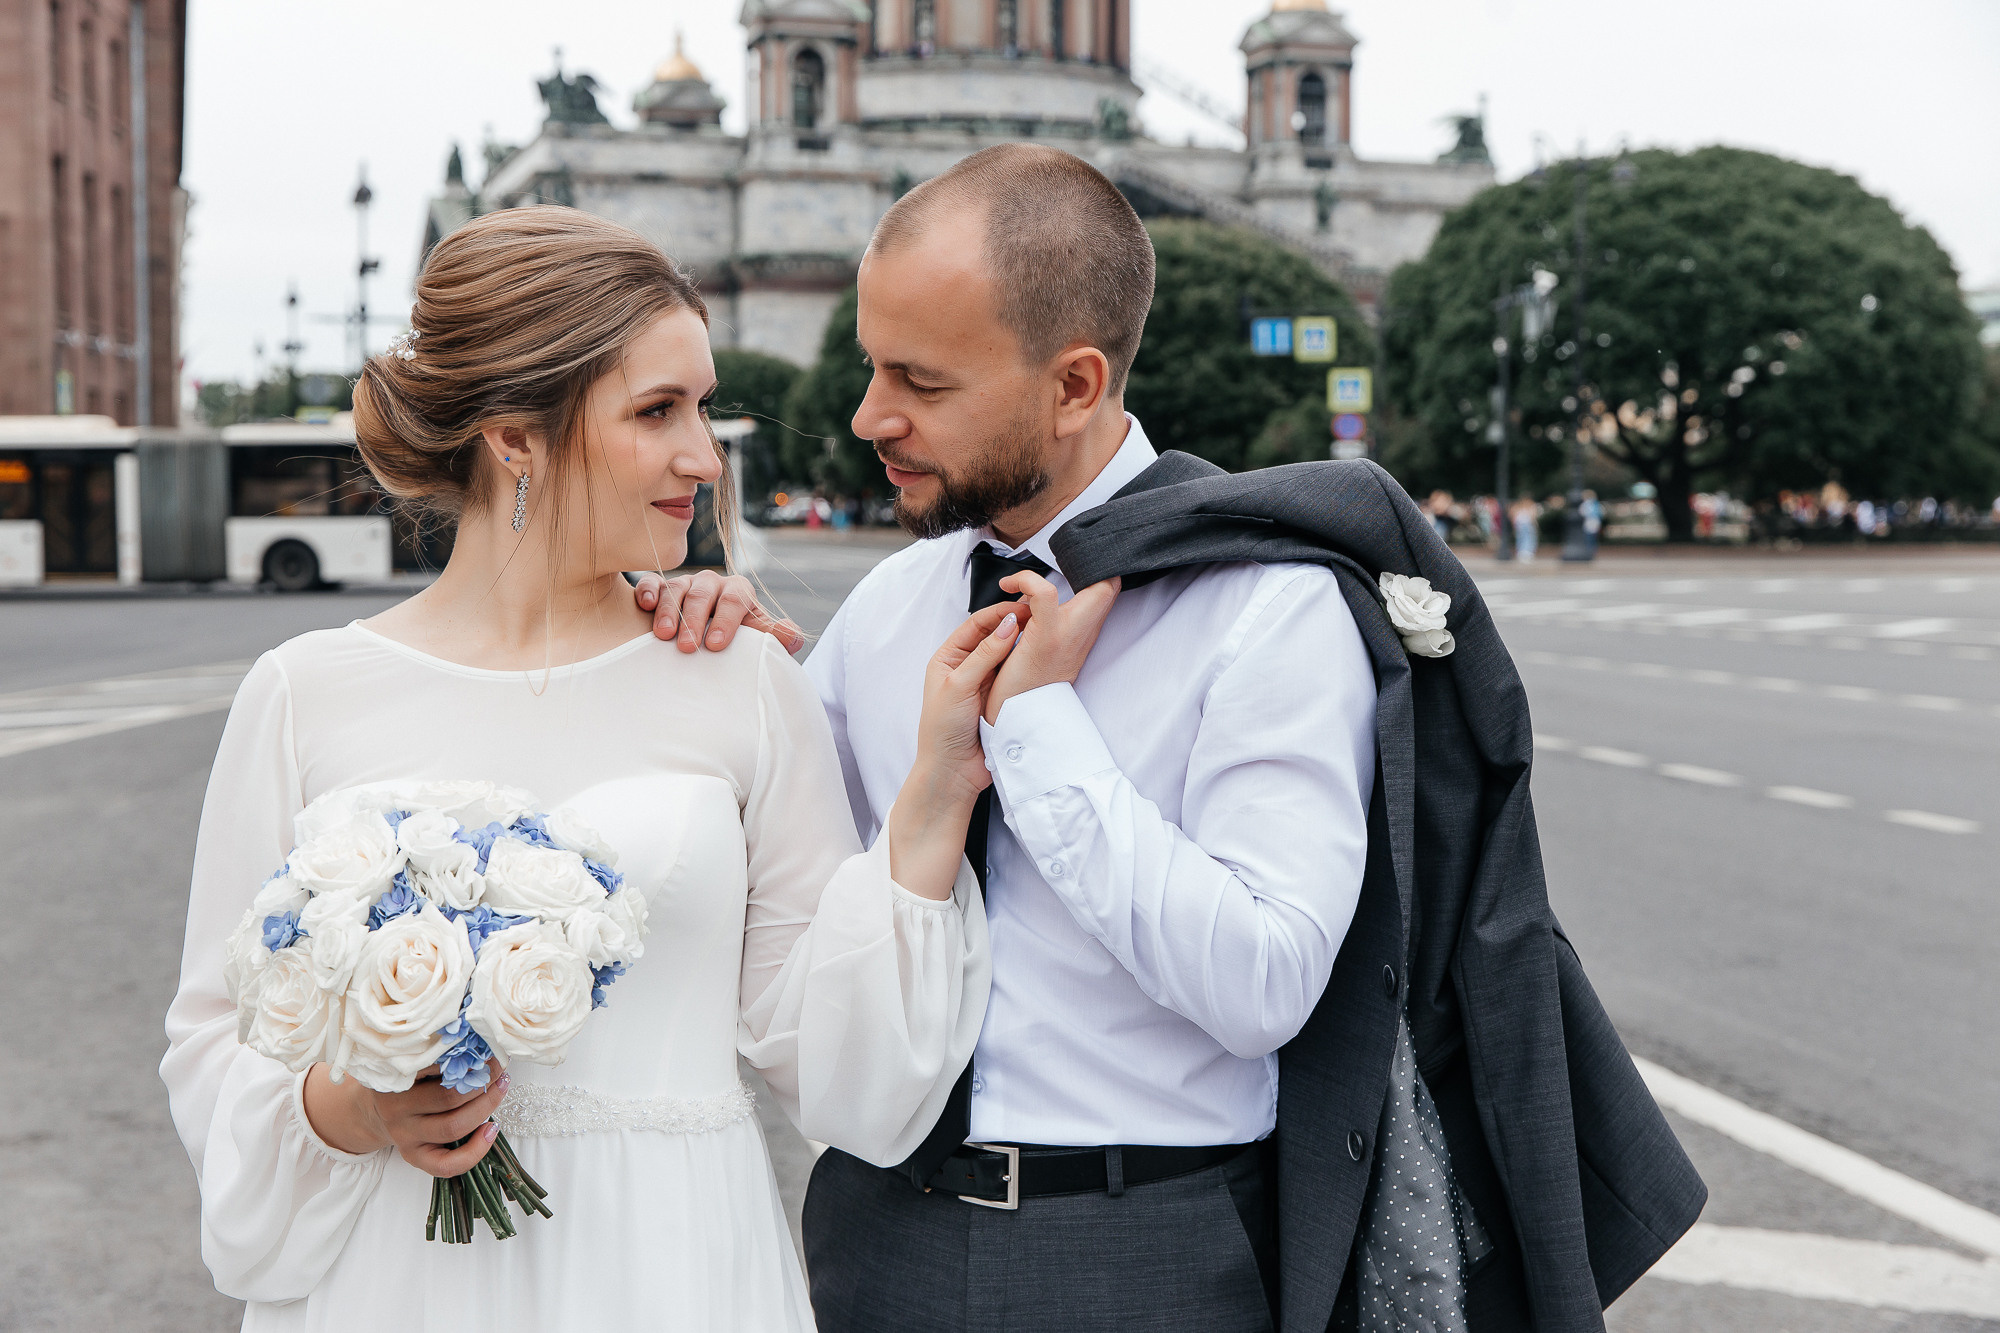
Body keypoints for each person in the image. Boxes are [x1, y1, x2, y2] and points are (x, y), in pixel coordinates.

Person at [160, 208, 1003, 1331]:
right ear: (515, 436)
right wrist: (352, 1106)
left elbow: (846, 1074)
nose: (703, 454)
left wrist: (936, 796)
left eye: (703, 407)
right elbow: (216, 1036)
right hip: (391, 1279)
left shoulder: (742, 681)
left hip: (673, 1267)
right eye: (658, 411)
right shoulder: (301, 693)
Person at [641, 144, 1378, 1332]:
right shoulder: (896, 602)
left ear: (1074, 384)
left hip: (1144, 1251)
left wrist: (1037, 727)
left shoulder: (1263, 608)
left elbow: (1260, 984)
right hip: (877, 1229)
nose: (866, 413)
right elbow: (759, 876)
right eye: (874, 363)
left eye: (918, 382)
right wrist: (717, 669)